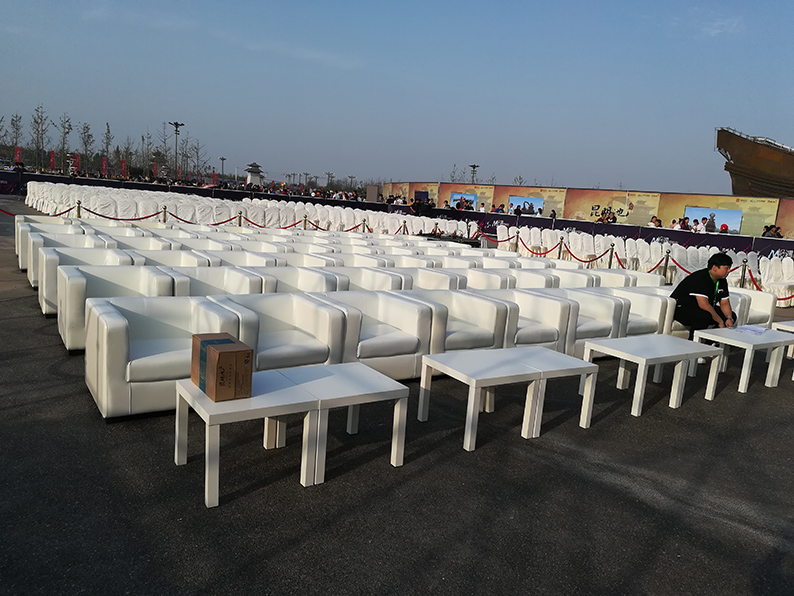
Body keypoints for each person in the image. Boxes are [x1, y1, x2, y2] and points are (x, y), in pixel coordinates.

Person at [670, 252, 736, 341]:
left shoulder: (722, 280)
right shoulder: (700, 278)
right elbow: (703, 304)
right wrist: (720, 321)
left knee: (732, 315)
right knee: (704, 316)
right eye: (726, 268)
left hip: (700, 308)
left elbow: (724, 303)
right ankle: (693, 342)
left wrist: (729, 318)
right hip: (681, 308)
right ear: (715, 268)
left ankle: (712, 341)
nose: (729, 271)